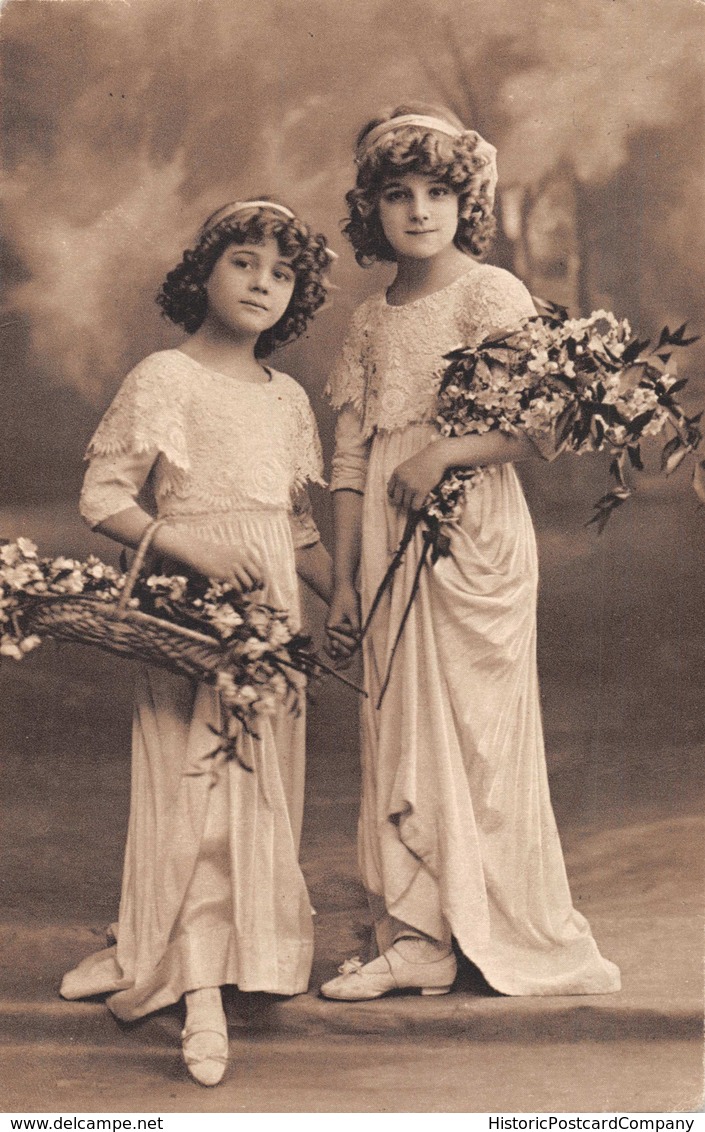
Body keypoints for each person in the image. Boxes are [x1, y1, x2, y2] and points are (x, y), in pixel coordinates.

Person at [322, 104, 621, 1001]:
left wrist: (446, 448)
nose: (419, 210)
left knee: (476, 738)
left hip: (469, 535)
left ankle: (485, 917)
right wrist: (339, 580)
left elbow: (550, 427)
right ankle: (418, 934)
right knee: (397, 724)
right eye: (397, 194)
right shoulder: (370, 320)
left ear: (467, 200)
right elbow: (345, 460)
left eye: (439, 192)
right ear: (370, 209)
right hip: (383, 529)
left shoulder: (490, 293)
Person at [60, 200, 335, 1085]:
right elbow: (104, 497)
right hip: (192, 601)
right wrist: (196, 549)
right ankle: (194, 988)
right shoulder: (164, 377)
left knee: (254, 787)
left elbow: (296, 530)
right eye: (243, 263)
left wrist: (359, 599)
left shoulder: (288, 398)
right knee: (193, 784)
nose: (261, 283)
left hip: (272, 612)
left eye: (280, 273)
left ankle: (219, 947)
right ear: (203, 275)